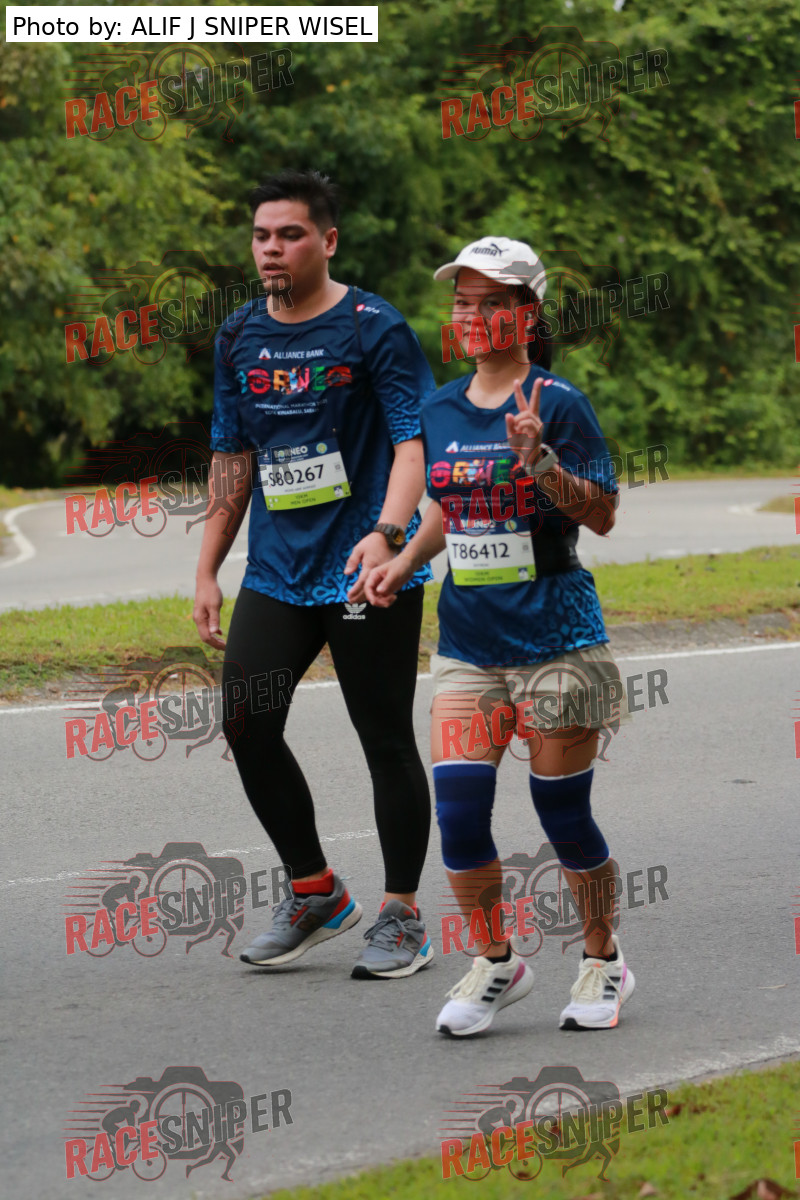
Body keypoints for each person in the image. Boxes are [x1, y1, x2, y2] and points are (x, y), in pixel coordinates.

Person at [366, 236, 635, 1033]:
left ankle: (603, 960)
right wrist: (402, 560)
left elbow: (603, 514)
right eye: (463, 302)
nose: (473, 316)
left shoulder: (561, 401)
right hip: (468, 645)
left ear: (527, 313)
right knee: (458, 815)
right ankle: (496, 961)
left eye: (492, 303)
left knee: (563, 816)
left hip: (559, 641)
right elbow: (447, 505)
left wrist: (541, 462)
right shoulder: (441, 407)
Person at [193, 169, 435, 979]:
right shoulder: (238, 335)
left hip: (367, 567)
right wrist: (206, 569)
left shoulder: (374, 327)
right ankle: (314, 891)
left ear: (327, 241)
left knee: (384, 738)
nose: (272, 249)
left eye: (290, 234)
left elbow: (412, 445)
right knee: (245, 720)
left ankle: (402, 914)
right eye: (262, 235)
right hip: (278, 570)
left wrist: (389, 535)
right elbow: (233, 458)